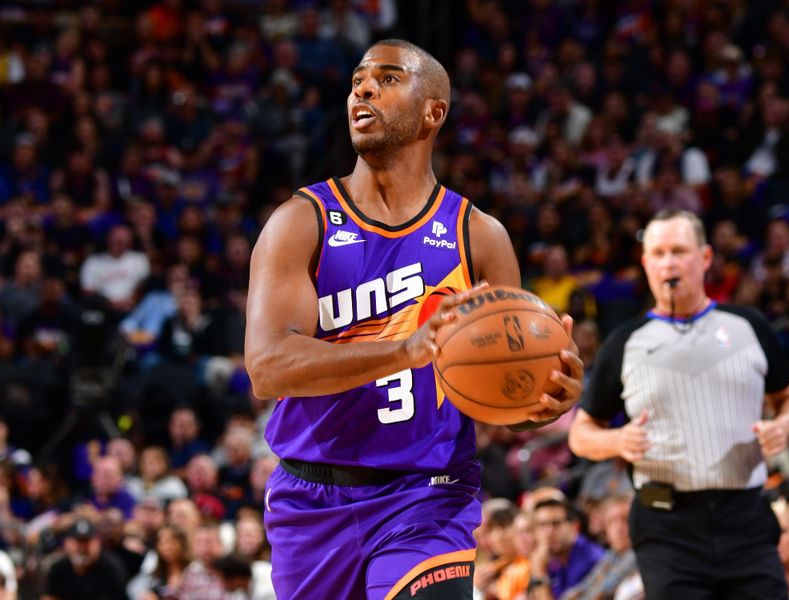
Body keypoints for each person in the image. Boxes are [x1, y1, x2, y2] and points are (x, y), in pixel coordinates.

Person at [244, 39, 584, 599]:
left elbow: (501, 393)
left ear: (434, 112)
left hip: (429, 496)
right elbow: (269, 368)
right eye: (357, 79)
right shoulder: (302, 222)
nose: (363, 87)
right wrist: (405, 350)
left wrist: (543, 399)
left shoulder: (478, 236)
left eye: (388, 77)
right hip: (312, 502)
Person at [568, 209, 789, 600]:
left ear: (705, 258)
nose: (668, 262)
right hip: (666, 525)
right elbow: (581, 432)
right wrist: (617, 441)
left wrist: (784, 424)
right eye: (657, 253)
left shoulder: (748, 326)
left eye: (678, 251)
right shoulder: (626, 342)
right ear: (645, 263)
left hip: (745, 516)